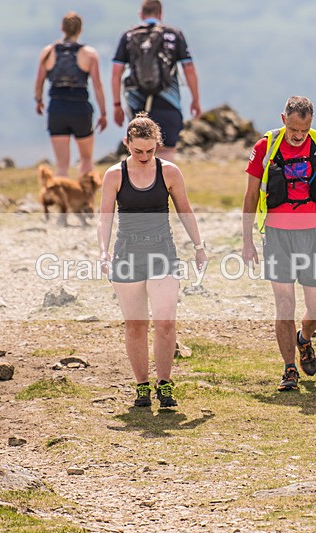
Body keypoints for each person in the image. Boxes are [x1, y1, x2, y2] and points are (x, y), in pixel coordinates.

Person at [98, 113, 207, 409]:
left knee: (166, 323)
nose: (144, 157)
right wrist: (103, 252)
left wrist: (199, 246)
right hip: (127, 253)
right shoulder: (114, 175)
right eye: (138, 151)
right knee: (135, 325)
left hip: (162, 252)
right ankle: (142, 386)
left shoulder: (170, 172)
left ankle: (165, 385)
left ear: (158, 145)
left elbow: (185, 210)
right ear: (127, 144)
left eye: (150, 150)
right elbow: (105, 217)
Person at [242, 96, 316, 392]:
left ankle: (304, 338)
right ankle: (289, 368)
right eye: (293, 130)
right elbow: (250, 196)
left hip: (313, 236)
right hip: (276, 236)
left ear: (310, 124)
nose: (298, 136)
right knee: (284, 304)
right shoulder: (266, 146)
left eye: (304, 130)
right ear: (283, 118)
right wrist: (247, 240)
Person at [111, 0, 201, 162]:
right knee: (166, 153)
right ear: (160, 14)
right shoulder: (174, 34)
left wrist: (117, 105)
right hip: (169, 101)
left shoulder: (129, 35)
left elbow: (116, 73)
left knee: (139, 152)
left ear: (141, 14)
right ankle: (164, 186)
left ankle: (140, 186)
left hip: (137, 103)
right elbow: (189, 68)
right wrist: (195, 100)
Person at [34, 11, 106, 177]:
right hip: (80, 109)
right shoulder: (89, 54)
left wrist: (38, 101)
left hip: (57, 108)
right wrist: (104, 113)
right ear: (80, 30)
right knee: (86, 160)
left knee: (61, 164)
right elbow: (98, 86)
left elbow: (39, 81)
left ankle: (62, 200)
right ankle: (85, 200)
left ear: (62, 28)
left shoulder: (48, 52)